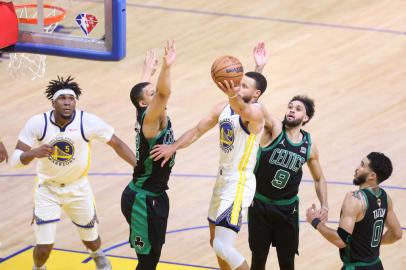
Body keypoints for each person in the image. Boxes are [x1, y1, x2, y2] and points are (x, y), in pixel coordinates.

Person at [150, 57, 267, 270]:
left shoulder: (257, 113)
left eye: (244, 85)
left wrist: (234, 93)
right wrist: (173, 147)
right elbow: (197, 131)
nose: (238, 87)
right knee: (215, 243)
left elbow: (245, 110)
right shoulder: (222, 108)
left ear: (256, 94)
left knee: (223, 246)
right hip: (222, 180)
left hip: (239, 183)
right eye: (238, 83)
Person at [10, 76, 136, 270]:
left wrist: (138, 166)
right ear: (53, 102)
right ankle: (38, 268)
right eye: (62, 98)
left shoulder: (88, 121)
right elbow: (15, 161)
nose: (67, 102)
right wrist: (34, 153)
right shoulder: (38, 123)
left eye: (71, 98)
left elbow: (117, 143)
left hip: (78, 187)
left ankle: (96, 254)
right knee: (44, 247)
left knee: (92, 240)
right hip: (47, 190)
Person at [247, 43, 328, 270]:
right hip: (260, 205)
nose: (291, 110)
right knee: (258, 261)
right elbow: (254, 104)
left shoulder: (309, 146)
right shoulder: (273, 130)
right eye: (290, 106)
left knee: (287, 263)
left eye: (298, 109)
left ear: (306, 118)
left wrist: (325, 205)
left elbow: (319, 178)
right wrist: (258, 68)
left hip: (287, 209)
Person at [120, 40, 177, 270]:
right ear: (145, 104)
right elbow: (163, 93)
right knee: (148, 260)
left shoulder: (144, 109)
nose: (156, 95)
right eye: (151, 93)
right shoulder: (151, 120)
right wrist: (166, 67)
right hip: (142, 199)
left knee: (153, 255)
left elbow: (142, 93)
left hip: (154, 194)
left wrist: (146, 71)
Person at [306, 152, 402, 270]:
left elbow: (341, 240)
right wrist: (373, 243)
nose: (357, 168)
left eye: (362, 165)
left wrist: (315, 222)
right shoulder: (385, 198)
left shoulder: (354, 199)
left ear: (372, 175)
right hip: (377, 265)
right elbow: (397, 234)